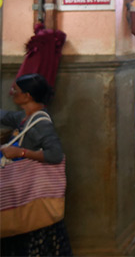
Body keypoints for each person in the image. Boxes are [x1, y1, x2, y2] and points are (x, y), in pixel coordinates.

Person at [0, 73, 73, 256]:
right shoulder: (25, 118)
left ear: (27, 96)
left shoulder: (40, 124)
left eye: (15, 90)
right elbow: (5, 116)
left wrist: (22, 153)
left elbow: (55, 154)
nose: (11, 93)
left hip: (32, 203)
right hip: (25, 198)